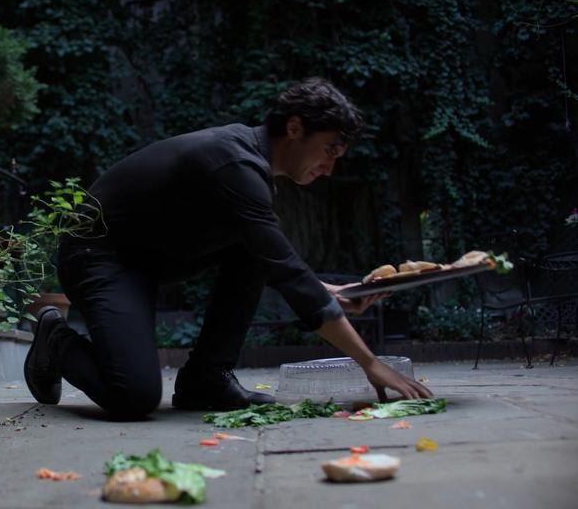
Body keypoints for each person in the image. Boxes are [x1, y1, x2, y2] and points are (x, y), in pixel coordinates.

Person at [23, 77, 432, 419]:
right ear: (294, 128)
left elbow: (277, 260)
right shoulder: (234, 164)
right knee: (133, 396)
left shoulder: (248, 169)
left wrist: (330, 295)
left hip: (146, 260)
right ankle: (57, 339)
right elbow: (287, 270)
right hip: (98, 257)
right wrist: (370, 363)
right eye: (329, 150)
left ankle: (206, 379)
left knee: (253, 244)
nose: (329, 168)